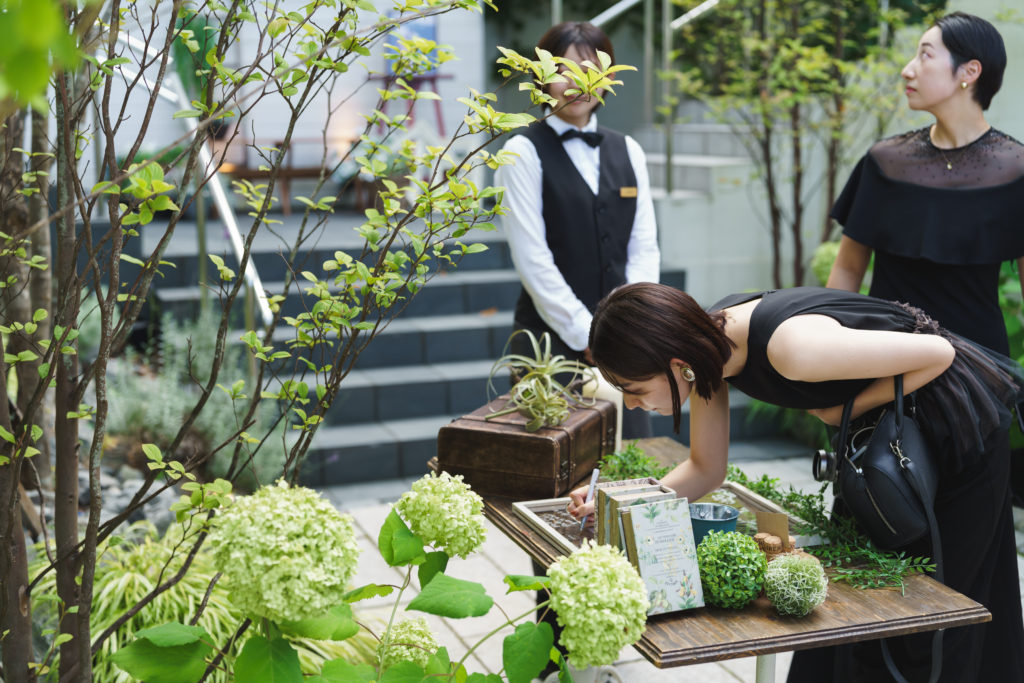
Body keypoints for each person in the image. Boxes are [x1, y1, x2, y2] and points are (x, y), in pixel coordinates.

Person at [568, 283, 1024, 682]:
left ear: (673, 361)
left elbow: (943, 354)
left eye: (633, 388)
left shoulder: (790, 347)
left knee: (942, 615)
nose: (630, 405)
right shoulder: (709, 350)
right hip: (878, 448)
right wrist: (618, 505)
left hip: (953, 436)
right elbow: (707, 468)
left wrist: (836, 412)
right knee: (862, 603)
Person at [825, 12, 1024, 503]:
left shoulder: (1016, 168)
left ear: (968, 72)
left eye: (925, 55)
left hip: (979, 376)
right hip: (883, 368)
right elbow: (848, 268)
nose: (907, 69)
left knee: (971, 519)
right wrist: (825, 351)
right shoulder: (885, 161)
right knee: (881, 511)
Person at [494, 20, 660, 439]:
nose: (578, 82)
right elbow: (533, 259)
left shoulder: (630, 150)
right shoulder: (521, 151)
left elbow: (643, 247)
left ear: (608, 78)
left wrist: (632, 326)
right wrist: (588, 333)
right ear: (542, 75)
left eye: (590, 69)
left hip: (624, 344)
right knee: (553, 464)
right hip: (549, 346)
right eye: (565, 69)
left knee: (632, 456)